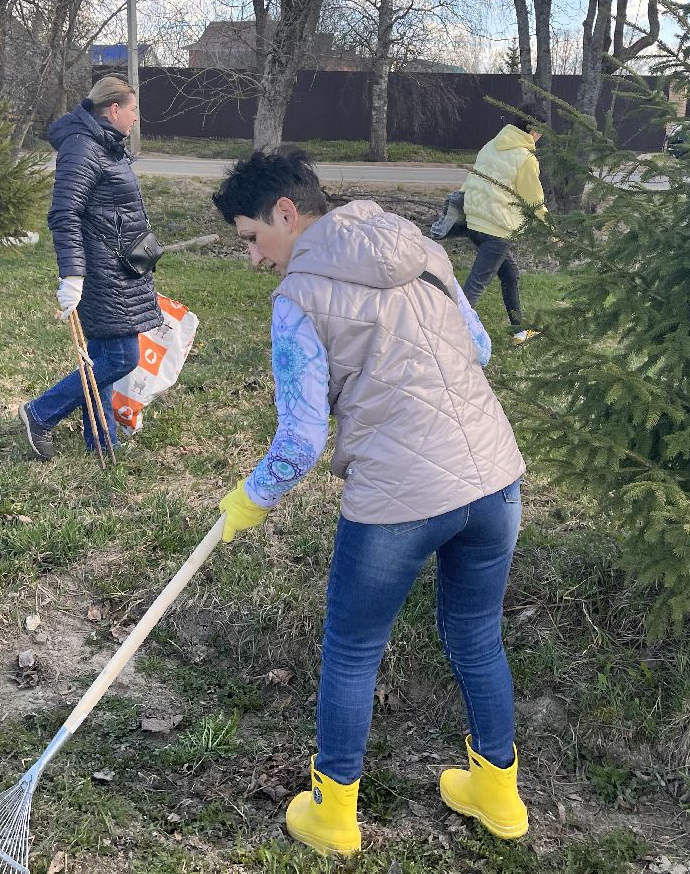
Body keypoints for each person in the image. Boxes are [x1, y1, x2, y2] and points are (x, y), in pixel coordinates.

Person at [210, 148, 530, 856]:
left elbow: (298, 442)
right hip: (494, 479)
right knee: (477, 635)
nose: (255, 260)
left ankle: (331, 815)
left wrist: (248, 500)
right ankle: (499, 795)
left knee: (353, 650)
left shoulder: (298, 299)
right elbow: (477, 347)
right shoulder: (423, 251)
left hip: (400, 497)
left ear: (286, 215)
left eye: (252, 240)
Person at [18, 76, 161, 460]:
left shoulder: (105, 145)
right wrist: (73, 275)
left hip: (117, 267)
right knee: (121, 358)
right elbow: (64, 212)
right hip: (101, 272)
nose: (135, 119)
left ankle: (101, 439)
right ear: (114, 110)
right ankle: (39, 413)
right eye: (133, 110)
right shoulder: (84, 147)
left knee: (103, 357)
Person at [460, 103, 548, 342]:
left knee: (509, 274)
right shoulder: (525, 158)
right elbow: (534, 201)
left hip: (474, 224)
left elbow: (471, 181)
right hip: (496, 230)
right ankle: (447, 335)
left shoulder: (491, 145)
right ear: (533, 131)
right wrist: (552, 231)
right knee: (475, 288)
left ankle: (519, 331)